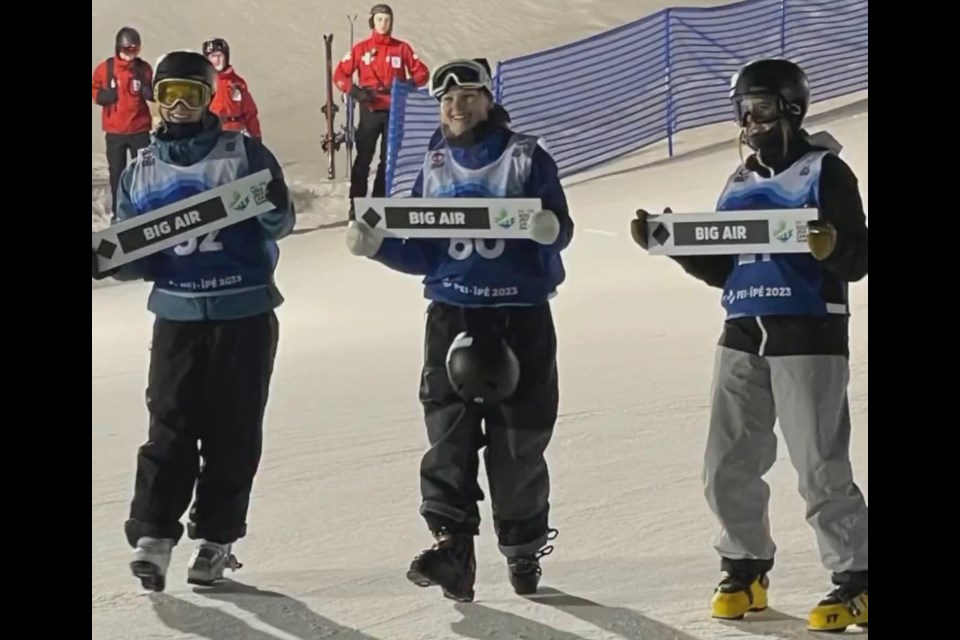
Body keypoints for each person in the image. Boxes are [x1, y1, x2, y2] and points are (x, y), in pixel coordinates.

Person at [630, 58, 868, 632]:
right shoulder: (738, 180)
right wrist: (675, 243)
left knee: (818, 467)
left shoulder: (824, 172)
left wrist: (829, 245)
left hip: (806, 330)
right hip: (741, 330)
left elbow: (856, 258)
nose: (750, 120)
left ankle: (858, 578)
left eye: (760, 108)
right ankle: (744, 568)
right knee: (726, 462)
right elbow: (726, 265)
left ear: (790, 107)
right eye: (743, 110)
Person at [345, 58, 574, 602]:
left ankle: (522, 546)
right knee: (448, 435)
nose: (456, 106)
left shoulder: (525, 156)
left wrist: (550, 230)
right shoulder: (437, 159)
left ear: (488, 100)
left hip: (519, 315)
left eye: (468, 96)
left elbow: (559, 228)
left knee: (518, 439)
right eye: (447, 100)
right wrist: (379, 248)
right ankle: (452, 548)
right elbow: (426, 247)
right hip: (452, 314)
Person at [91, 50, 295, 593]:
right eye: (170, 95)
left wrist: (273, 203)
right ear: (154, 100)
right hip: (179, 314)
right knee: (170, 425)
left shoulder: (243, 153)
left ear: (211, 99)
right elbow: (137, 255)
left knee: (233, 430)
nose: (181, 106)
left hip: (243, 310)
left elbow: (279, 222)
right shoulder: (140, 169)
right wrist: (110, 258)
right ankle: (154, 537)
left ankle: (215, 538)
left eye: (194, 94)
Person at [333, 3, 429, 207]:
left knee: (388, 161)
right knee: (363, 159)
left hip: (395, 110)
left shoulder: (401, 48)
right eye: (379, 20)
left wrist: (409, 84)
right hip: (370, 109)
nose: (383, 24)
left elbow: (422, 73)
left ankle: (378, 204)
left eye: (387, 20)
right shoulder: (361, 49)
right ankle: (356, 205)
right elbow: (339, 75)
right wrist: (355, 91)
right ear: (372, 22)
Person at [91, 26, 154, 214]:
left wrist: (148, 92)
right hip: (115, 131)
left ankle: (144, 208)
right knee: (117, 173)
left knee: (143, 172)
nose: (131, 55)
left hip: (139, 130)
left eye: (135, 50)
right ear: (118, 48)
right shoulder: (106, 69)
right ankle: (119, 212)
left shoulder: (143, 69)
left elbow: (156, 91)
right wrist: (102, 96)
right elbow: (93, 88)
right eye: (128, 51)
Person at [203, 37, 263, 138]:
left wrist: (256, 137)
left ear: (226, 57)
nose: (217, 60)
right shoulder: (204, 82)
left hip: (237, 133)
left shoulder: (237, 82)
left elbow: (250, 114)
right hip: (213, 133)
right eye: (213, 56)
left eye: (220, 56)